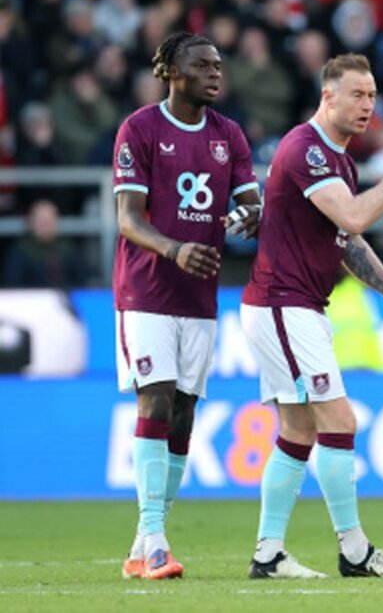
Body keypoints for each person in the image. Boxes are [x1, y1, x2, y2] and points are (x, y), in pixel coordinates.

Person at [240, 53, 383, 580]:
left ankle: (268, 555)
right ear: (328, 96)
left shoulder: (339, 160)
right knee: (340, 422)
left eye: (371, 95)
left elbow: (346, 239)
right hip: (283, 304)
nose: (367, 105)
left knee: (297, 431)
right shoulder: (306, 149)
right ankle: (355, 552)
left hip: (291, 305)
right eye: (357, 94)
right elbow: (354, 215)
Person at [113, 31, 262, 580]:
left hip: (199, 297)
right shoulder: (140, 129)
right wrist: (174, 249)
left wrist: (251, 216)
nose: (215, 73)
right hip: (146, 291)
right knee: (154, 401)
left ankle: (143, 542)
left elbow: (252, 203)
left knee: (183, 413)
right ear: (172, 72)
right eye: (202, 65)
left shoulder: (230, 134)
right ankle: (155, 540)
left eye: (218, 65)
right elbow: (128, 218)